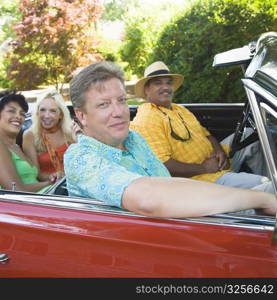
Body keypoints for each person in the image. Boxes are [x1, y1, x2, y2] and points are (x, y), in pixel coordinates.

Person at [64, 61, 276, 219]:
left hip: (191, 216)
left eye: (121, 100)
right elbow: (148, 199)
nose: (119, 111)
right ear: (81, 115)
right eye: (103, 105)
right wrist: (259, 199)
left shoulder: (133, 138)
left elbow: (168, 182)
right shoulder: (79, 157)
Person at [130, 61, 273, 193]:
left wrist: (219, 151)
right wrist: (204, 168)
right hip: (199, 179)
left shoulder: (180, 109)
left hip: (215, 162)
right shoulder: (147, 118)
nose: (166, 87)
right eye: (158, 83)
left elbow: (206, 134)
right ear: (147, 89)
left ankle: (263, 182)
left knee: (251, 135)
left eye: (168, 83)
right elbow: (162, 164)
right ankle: (262, 194)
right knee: (266, 185)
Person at [0, 91, 52, 192]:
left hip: (44, 199)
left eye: (22, 113)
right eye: (12, 111)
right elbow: (15, 190)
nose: (18, 116)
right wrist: (50, 183)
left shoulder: (16, 147)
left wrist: (53, 178)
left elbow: (32, 181)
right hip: (26, 205)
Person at [23, 91, 77, 182]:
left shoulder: (71, 130)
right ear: (37, 112)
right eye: (42, 110)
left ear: (60, 114)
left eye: (52, 111)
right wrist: (53, 177)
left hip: (77, 181)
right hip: (51, 187)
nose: (46, 116)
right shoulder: (30, 135)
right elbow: (36, 174)